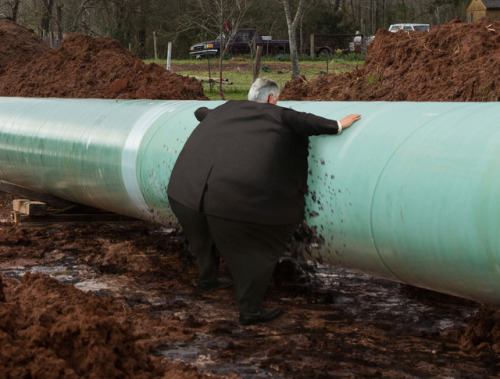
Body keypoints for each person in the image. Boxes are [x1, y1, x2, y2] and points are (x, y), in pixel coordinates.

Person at [167, 77, 361, 326]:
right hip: (232, 202)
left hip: (183, 193)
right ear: (271, 99)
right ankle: (250, 311)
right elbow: (308, 122)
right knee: (256, 251)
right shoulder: (280, 115)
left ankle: (208, 279)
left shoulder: (225, 109)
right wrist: (338, 124)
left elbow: (199, 111)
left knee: (203, 238)